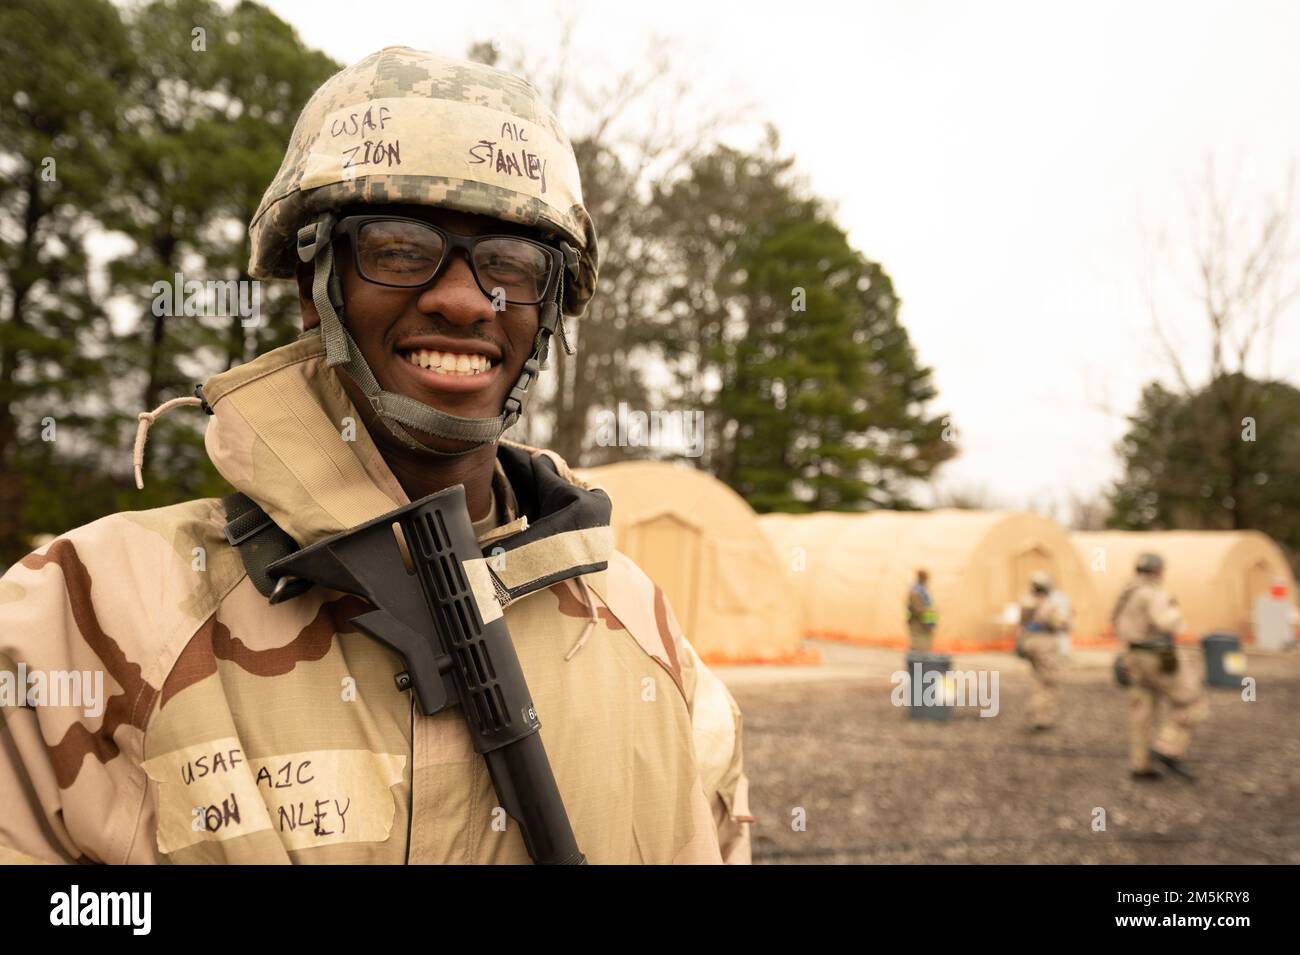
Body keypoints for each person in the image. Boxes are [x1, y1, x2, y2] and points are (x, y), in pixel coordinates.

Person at [0, 47, 751, 864]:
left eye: (510, 263)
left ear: (550, 309)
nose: (464, 298)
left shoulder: (647, 639)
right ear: (312, 282)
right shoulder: (88, 615)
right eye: (398, 249)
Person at [1112, 552, 1207, 782]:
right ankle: (1168, 747)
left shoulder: (1126, 593)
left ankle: (1140, 764)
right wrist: (1176, 616)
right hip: (1157, 656)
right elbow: (1166, 622)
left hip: (1132, 656)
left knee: (1142, 711)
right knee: (1191, 701)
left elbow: (1115, 622)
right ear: (1157, 571)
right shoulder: (1153, 594)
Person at [1016, 570, 1069, 731]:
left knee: (1038, 679)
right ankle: (1041, 716)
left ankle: (1036, 713)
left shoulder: (1026, 604)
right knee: (1049, 682)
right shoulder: (1050, 606)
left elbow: (1021, 624)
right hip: (1045, 645)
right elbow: (1061, 625)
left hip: (1029, 643)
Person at [907, 569, 938, 652]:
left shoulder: (923, 591)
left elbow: (928, 607)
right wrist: (928, 620)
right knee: (919, 647)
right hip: (919, 623)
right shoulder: (916, 591)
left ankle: (922, 664)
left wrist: (931, 621)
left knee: (925, 647)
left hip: (926, 624)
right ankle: (918, 665)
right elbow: (918, 609)